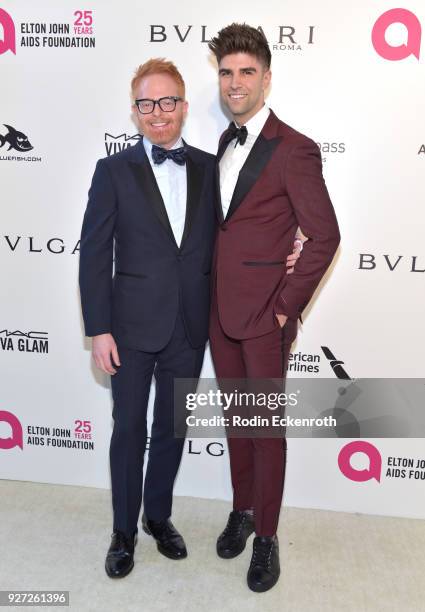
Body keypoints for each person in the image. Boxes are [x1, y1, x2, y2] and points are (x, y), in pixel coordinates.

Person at [208, 24, 341, 593]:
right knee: (239, 423)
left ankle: (267, 536)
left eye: (245, 72)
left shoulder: (295, 148)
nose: (235, 83)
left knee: (265, 430)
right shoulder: (223, 141)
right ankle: (242, 509)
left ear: (266, 77)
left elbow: (326, 236)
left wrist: (285, 307)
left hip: (265, 315)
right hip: (218, 311)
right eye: (226, 72)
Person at [79, 59, 217, 578]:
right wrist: (98, 329)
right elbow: (93, 254)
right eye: (145, 104)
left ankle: (158, 516)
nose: (157, 114)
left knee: (172, 431)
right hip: (130, 329)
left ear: (182, 106)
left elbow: (230, 239)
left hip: (188, 326)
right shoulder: (112, 171)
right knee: (129, 430)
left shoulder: (208, 168)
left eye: (166, 102)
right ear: (134, 112)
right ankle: (122, 531)